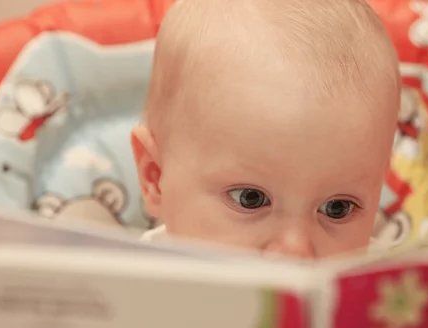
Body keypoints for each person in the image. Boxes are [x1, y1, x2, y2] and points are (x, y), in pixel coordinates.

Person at [131, 0, 400, 259]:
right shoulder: (125, 287)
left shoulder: (391, 292)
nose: (296, 251)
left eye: (337, 208)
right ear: (155, 178)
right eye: (251, 199)